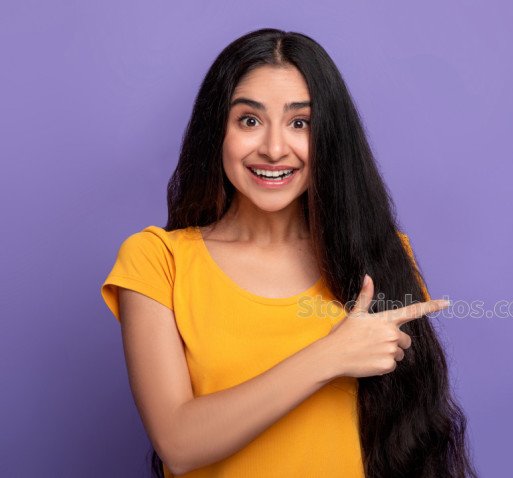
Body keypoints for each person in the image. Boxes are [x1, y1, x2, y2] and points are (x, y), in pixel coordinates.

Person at [100, 28, 477, 477]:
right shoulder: (157, 261)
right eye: (250, 120)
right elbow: (179, 443)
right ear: (216, 130)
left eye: (301, 123)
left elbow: (407, 438)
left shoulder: (381, 254)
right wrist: (331, 356)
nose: (275, 149)